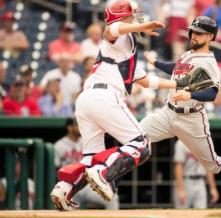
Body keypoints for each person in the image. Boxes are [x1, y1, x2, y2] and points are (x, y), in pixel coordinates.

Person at [50, 0, 176, 211]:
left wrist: (178, 84)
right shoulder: (118, 37)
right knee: (141, 144)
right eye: (131, 15)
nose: (135, 18)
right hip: (104, 97)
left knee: (90, 157)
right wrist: (142, 26)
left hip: (87, 100)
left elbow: (147, 82)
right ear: (123, 17)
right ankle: (104, 173)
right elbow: (111, 29)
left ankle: (64, 189)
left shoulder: (125, 52)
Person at [141, 16, 221, 202]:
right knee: (136, 136)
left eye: (200, 33)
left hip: (191, 119)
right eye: (193, 31)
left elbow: (212, 93)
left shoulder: (210, 63)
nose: (194, 35)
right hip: (168, 113)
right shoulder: (188, 54)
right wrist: (156, 63)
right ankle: (110, 178)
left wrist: (190, 95)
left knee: (213, 164)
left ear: (210, 37)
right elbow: (177, 68)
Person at [54, 118, 119, 209]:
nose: (80, 128)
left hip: (88, 184)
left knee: (113, 197)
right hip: (71, 185)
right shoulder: (59, 145)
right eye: (77, 125)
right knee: (67, 208)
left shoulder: (86, 142)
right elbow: (55, 169)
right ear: (70, 127)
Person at [174, 140, 219, 208]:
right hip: (186, 181)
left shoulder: (204, 142)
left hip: (201, 182)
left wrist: (213, 188)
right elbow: (178, 167)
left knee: (202, 212)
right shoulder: (181, 142)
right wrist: (181, 190)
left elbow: (209, 166)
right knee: (182, 213)